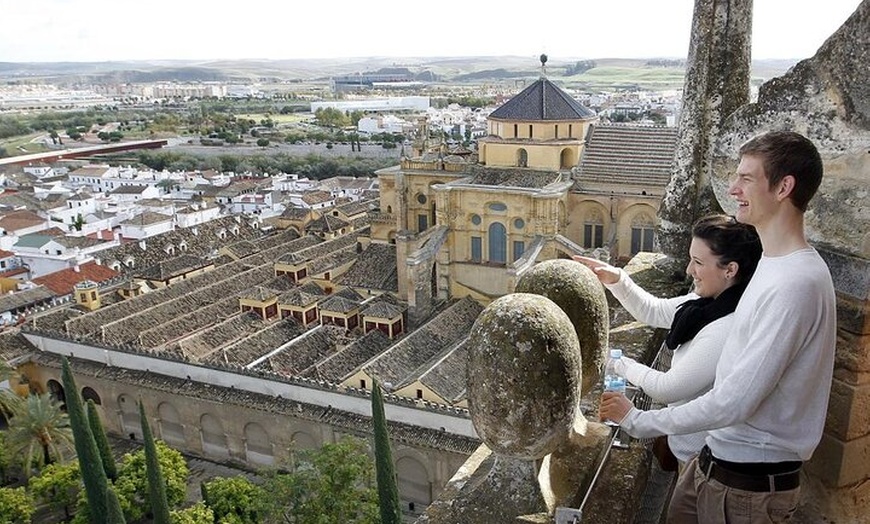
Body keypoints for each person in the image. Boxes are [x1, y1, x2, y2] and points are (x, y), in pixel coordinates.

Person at [599, 130, 837, 523]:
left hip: (746, 488)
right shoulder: (773, 265)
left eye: (746, 178)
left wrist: (639, 421)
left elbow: (734, 401)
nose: (733, 189)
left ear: (783, 188)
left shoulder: (796, 283)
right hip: (717, 464)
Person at [575, 213, 762, 471]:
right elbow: (654, 311)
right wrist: (616, 279)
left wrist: (618, 363)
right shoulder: (708, 303)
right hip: (692, 454)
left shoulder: (726, 327)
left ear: (730, 270)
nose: (689, 270)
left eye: (698, 262)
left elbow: (668, 388)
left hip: (704, 464)